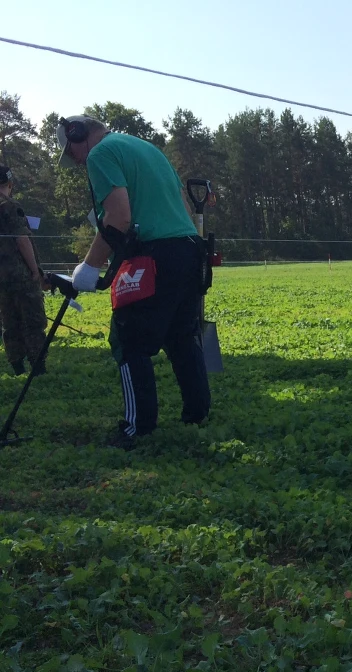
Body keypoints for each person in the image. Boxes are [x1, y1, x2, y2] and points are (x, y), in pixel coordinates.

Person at [59, 115, 210, 448]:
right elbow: (182, 206)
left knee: (129, 341)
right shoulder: (148, 148)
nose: (77, 162)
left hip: (152, 255)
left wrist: (88, 267)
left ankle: (136, 428)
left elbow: (118, 217)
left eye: (72, 154)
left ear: (78, 135)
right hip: (188, 249)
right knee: (182, 337)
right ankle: (197, 416)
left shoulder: (101, 154)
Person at [0, 166, 48, 376]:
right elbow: (21, 239)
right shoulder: (10, 206)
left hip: (1, 278)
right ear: (9, 185)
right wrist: (34, 270)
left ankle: (17, 365)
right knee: (32, 320)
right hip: (19, 274)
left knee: (9, 321)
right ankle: (38, 367)